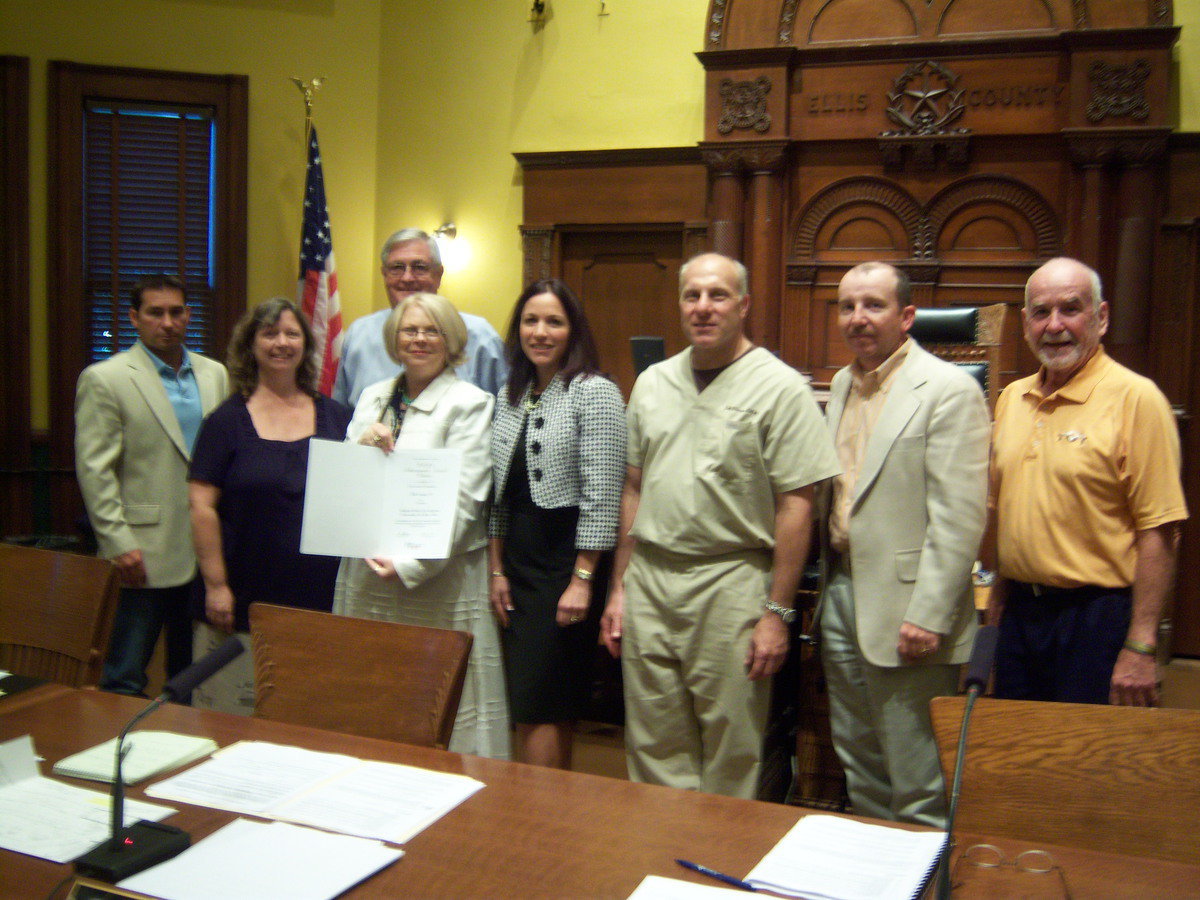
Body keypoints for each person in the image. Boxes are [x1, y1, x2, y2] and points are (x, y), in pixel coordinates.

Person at [600, 252, 840, 799]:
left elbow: (797, 506)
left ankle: (716, 875)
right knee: (653, 742)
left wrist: (778, 613)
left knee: (732, 749)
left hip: (731, 582)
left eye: (718, 295)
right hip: (652, 580)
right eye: (692, 295)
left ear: (744, 305)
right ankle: (662, 866)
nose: (703, 307)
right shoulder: (654, 383)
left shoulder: (781, 388)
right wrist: (619, 588)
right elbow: (633, 488)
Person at [817, 262, 989, 827]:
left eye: (874, 305)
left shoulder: (950, 390)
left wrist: (930, 612)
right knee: (860, 764)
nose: (858, 319)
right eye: (848, 306)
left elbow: (960, 516)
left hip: (910, 609)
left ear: (907, 316)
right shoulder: (841, 385)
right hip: (841, 592)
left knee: (917, 779)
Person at [988, 257, 1187, 707]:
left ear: (1101, 317)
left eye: (1070, 309)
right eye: (1041, 312)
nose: (1054, 325)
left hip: (1097, 619)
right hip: (1020, 614)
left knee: (1085, 761)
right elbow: (1006, 512)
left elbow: (1159, 530)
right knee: (1021, 754)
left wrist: (1140, 644)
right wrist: (999, 598)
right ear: (1025, 323)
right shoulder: (1011, 399)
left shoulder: (1137, 399)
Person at [334, 292, 509, 758]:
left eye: (431, 330)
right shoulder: (373, 396)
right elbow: (347, 482)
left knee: (438, 703)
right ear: (394, 338)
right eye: (410, 330)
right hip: (368, 572)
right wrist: (362, 446)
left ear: (450, 339)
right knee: (372, 696)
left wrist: (412, 563)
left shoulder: (469, 403)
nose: (419, 339)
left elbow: (467, 496)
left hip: (437, 579)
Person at [188, 298, 353, 714]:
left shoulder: (338, 418)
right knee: (235, 715)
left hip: (323, 599)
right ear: (251, 344)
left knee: (315, 712)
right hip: (244, 596)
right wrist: (216, 586)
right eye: (270, 333)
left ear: (306, 344)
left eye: (292, 333)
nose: (282, 343)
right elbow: (201, 506)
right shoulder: (225, 422)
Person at [488, 279, 626, 769]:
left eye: (554, 321)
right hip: (519, 562)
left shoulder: (596, 392)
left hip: (563, 562)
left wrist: (582, 579)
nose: (540, 332)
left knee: (543, 698)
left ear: (573, 331)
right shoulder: (512, 394)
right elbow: (499, 494)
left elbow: (604, 495)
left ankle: (538, 812)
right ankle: (544, 808)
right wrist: (497, 568)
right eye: (531, 320)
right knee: (532, 701)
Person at [75, 274, 229, 697]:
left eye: (176, 312)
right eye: (155, 313)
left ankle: (180, 747)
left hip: (204, 548)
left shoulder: (214, 374)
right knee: (125, 671)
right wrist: (116, 540)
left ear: (188, 315)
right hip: (141, 551)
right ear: (134, 318)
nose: (168, 322)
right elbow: (95, 470)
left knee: (192, 671)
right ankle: (119, 749)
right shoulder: (106, 378)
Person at [332, 228, 507, 404]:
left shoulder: (480, 335)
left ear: (438, 275)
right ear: (384, 275)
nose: (407, 277)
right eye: (397, 268)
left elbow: (508, 413)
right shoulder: (359, 335)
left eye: (419, 268)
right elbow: (340, 415)